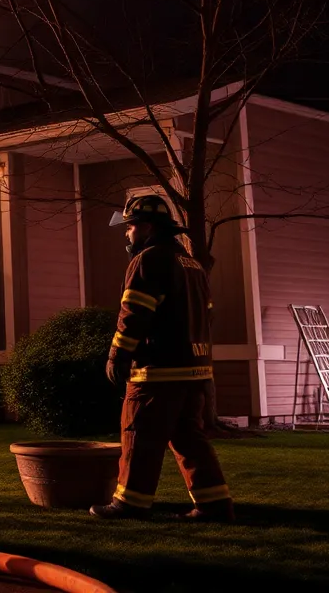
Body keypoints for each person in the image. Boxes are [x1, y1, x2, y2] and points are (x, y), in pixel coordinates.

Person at [90, 194, 234, 522]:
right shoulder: (191, 264)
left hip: (157, 372)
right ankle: (215, 505)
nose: (127, 233)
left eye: (130, 227)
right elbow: (207, 316)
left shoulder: (148, 259)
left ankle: (130, 503)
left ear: (147, 227)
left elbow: (134, 313)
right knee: (189, 439)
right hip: (194, 371)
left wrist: (117, 355)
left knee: (139, 434)